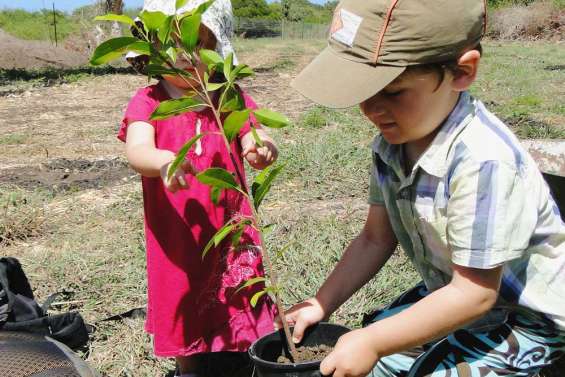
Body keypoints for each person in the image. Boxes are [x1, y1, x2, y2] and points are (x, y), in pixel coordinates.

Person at [283, 0, 565, 376]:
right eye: (362, 92)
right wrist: (321, 302)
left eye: (393, 91)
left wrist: (374, 341)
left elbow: (476, 293)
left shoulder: (483, 161)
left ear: (462, 73)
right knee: (365, 345)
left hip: (524, 317)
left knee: (390, 357)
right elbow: (374, 239)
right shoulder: (390, 146)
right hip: (456, 290)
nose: (371, 109)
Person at [118, 1, 277, 376]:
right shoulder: (149, 101)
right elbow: (137, 149)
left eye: (199, 45)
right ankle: (188, 365)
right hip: (178, 231)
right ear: (154, 52)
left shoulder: (226, 95)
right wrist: (163, 161)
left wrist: (259, 147)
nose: (186, 57)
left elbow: (252, 132)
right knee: (181, 290)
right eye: (174, 46)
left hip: (231, 223)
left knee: (242, 282)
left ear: (217, 51)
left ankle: (249, 353)